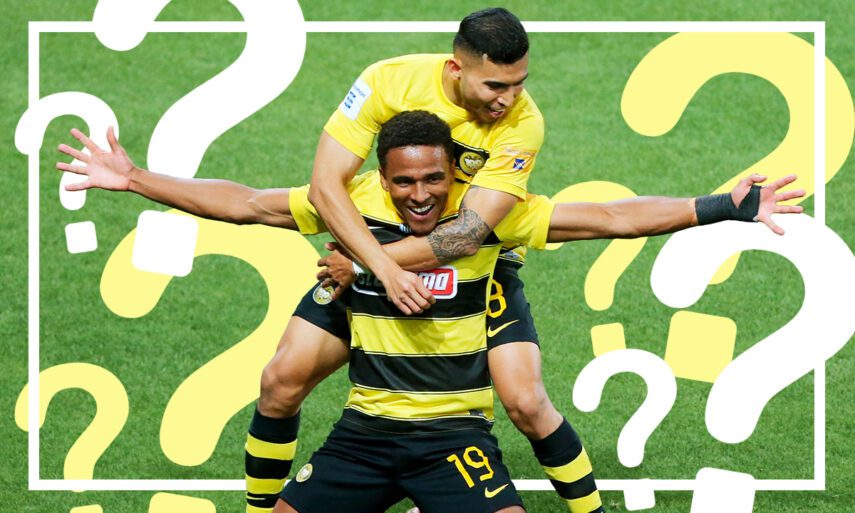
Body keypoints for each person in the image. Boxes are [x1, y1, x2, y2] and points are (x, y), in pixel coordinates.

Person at [57, 112, 803, 513]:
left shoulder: (488, 221)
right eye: (403, 182)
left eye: (434, 180)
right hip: (362, 439)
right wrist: (135, 178)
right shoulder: (349, 207)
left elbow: (610, 216)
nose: (419, 195)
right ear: (380, 178)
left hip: (452, 438)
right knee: (281, 378)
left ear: (456, 174)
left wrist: (723, 206)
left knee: (526, 400)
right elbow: (246, 204)